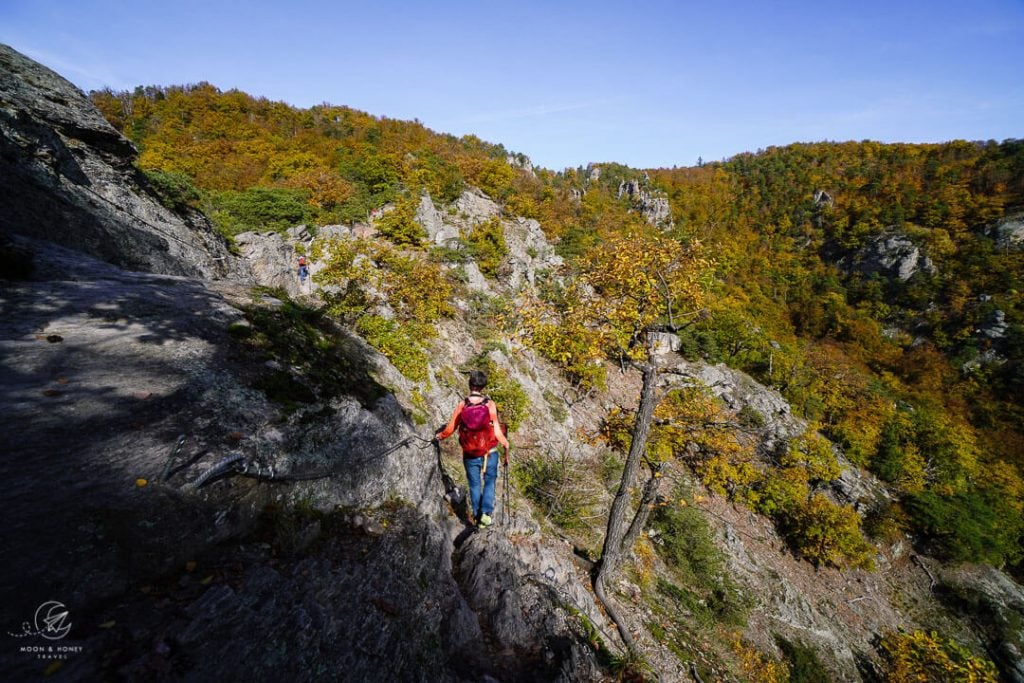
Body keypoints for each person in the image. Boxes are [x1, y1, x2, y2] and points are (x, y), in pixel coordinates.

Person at [435, 370, 510, 528]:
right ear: (483, 387)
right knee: (489, 482)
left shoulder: (463, 405)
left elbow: (450, 429)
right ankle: (486, 513)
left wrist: (440, 436)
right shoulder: (490, 405)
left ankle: (477, 518)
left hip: (470, 453)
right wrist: (505, 443)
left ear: (470, 384)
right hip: (490, 452)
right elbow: (496, 430)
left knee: (475, 485)